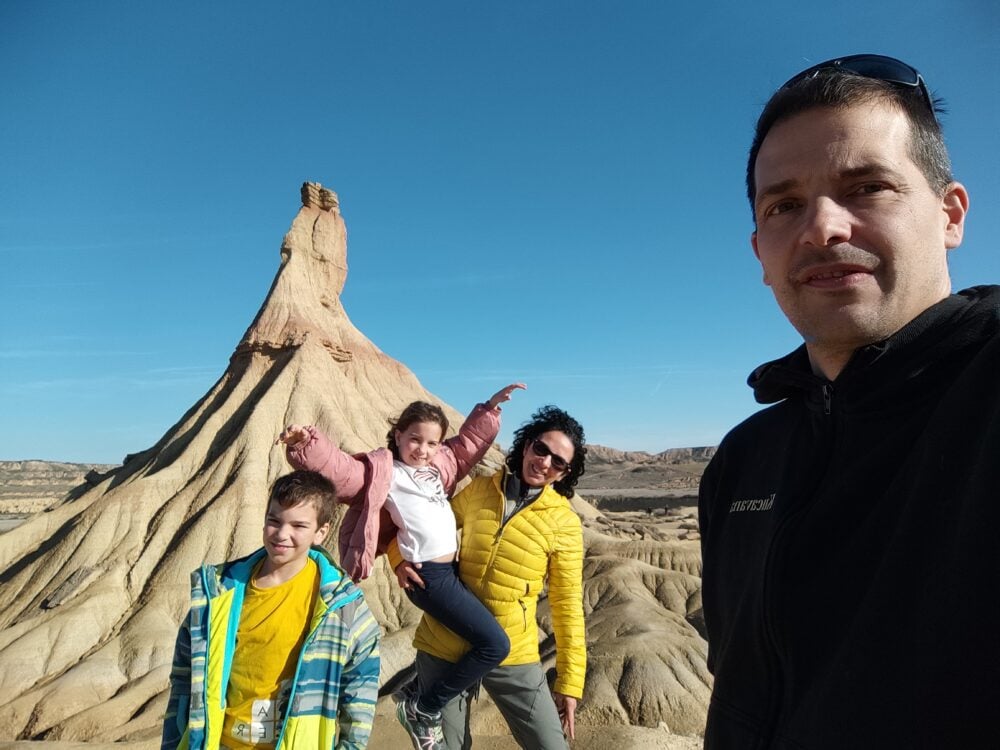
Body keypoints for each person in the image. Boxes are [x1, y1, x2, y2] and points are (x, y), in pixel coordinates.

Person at [699, 53, 1000, 749]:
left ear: (951, 214)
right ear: (760, 251)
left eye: (867, 187)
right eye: (785, 205)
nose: (823, 228)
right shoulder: (744, 461)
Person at [277, 384, 524, 750]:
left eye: (431, 443)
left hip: (450, 573)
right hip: (429, 578)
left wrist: (489, 409)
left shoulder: (439, 466)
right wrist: (306, 443)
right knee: (495, 644)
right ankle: (422, 707)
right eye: (414, 439)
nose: (422, 450)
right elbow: (342, 472)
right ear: (398, 436)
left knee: (480, 637)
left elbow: (466, 446)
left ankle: (419, 690)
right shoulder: (384, 472)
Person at [394, 405, 587, 750]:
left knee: (551, 745)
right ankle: (417, 702)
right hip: (445, 643)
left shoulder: (564, 523)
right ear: (526, 445)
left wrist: (570, 682)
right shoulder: (480, 490)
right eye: (541, 449)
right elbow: (418, 525)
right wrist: (397, 560)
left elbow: (567, 605)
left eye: (558, 461)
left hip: (512, 652)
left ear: (564, 473)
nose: (545, 462)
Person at [162, 470, 380, 750]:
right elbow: (183, 677)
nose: (282, 534)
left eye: (299, 526)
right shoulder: (219, 593)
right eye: (273, 521)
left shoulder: (341, 605)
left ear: (321, 532)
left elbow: (360, 686)